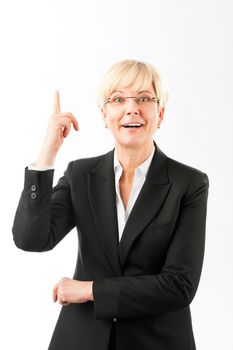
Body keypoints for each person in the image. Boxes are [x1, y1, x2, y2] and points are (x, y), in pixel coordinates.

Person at [12, 59, 209, 350]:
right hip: (81, 339)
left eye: (144, 98)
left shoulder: (189, 183)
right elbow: (31, 239)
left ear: (161, 113)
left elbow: (179, 285)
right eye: (118, 99)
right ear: (105, 115)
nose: (132, 108)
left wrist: (89, 290)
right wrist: (47, 153)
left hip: (157, 341)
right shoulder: (81, 175)